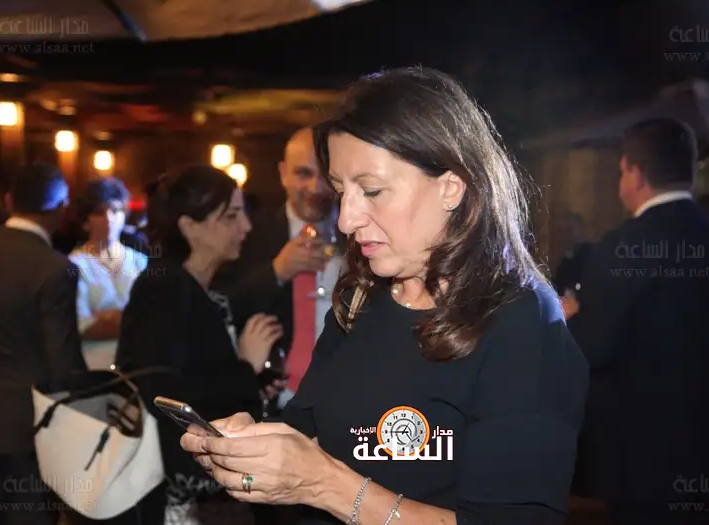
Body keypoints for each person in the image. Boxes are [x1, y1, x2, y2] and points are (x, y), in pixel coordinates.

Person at [181, 67, 589, 525]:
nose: (346, 219)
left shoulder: (521, 321)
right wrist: (251, 447)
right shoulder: (361, 298)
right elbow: (307, 431)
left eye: (372, 191)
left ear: (451, 187)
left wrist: (325, 484)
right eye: (341, 192)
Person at [564, 118, 709, 525]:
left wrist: (573, 318)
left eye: (621, 171)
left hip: (649, 474)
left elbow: (592, 349)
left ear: (636, 173)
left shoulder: (622, 247)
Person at [112, 166, 283, 524]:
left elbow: (202, 373)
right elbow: (162, 392)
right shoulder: (162, 288)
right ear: (190, 226)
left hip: (205, 483)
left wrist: (254, 382)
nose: (246, 227)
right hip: (177, 493)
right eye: (231, 216)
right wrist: (246, 368)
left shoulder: (205, 288)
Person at [0, 162, 87, 525]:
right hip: (30, 427)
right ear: (61, 208)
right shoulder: (54, 269)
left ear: (9, 201)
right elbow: (62, 364)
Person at [212, 127, 343, 410]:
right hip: (272, 402)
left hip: (343, 401)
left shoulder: (360, 237)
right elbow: (218, 306)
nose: (316, 187)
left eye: (325, 174)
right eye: (303, 174)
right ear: (283, 174)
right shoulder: (248, 234)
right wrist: (276, 272)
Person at [69, 178, 147, 370]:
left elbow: (157, 317)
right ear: (86, 221)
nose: (109, 218)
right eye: (99, 212)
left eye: (115, 210)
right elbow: (82, 326)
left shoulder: (140, 261)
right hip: (95, 367)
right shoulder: (74, 264)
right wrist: (135, 319)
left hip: (138, 366)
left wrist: (105, 316)